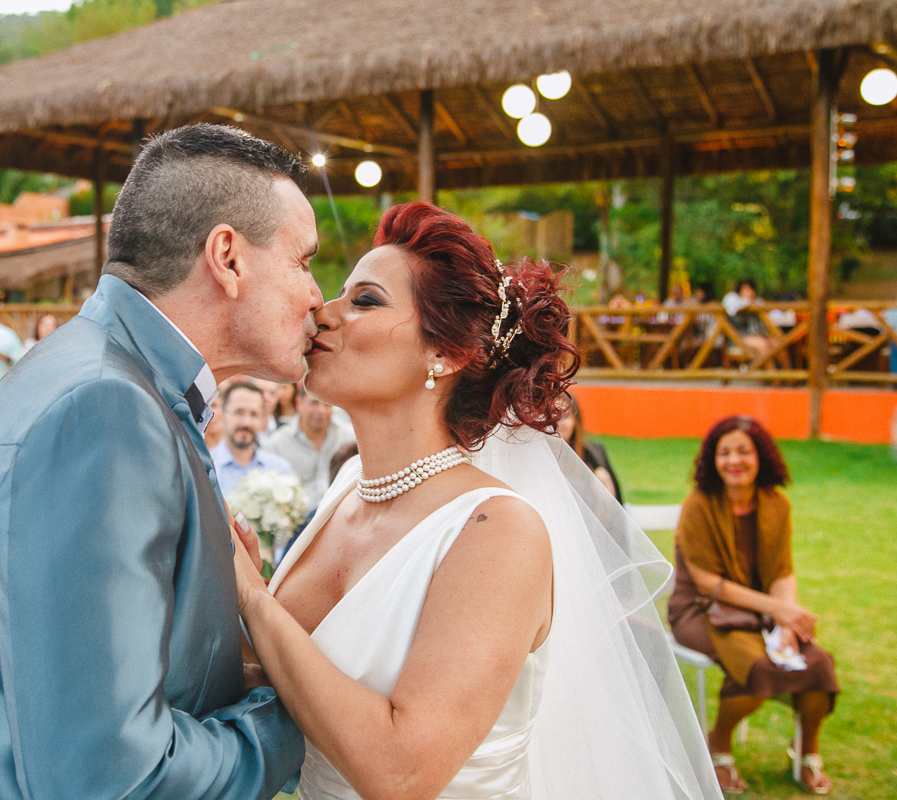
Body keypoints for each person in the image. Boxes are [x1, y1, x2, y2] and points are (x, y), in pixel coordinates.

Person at [0, 124, 322, 800]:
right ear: (227, 257)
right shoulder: (106, 410)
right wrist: (301, 719)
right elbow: (112, 777)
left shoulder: (102, 376)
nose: (318, 296)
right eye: (305, 260)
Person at [228, 202, 720, 800]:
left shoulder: (497, 531)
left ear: (446, 353)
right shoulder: (347, 486)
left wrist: (256, 599)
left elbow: (401, 774)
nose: (320, 313)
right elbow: (287, 679)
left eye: (364, 301)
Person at [668, 416, 838, 795]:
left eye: (743, 451)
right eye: (724, 452)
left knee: (820, 664)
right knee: (757, 667)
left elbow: (782, 572)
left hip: (759, 613)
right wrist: (780, 613)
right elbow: (709, 584)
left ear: (760, 456)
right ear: (713, 460)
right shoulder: (698, 504)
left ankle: (807, 751)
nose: (734, 460)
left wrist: (788, 623)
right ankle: (719, 745)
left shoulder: (776, 503)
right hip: (698, 609)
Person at [266, 385, 356, 511]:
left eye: (327, 405)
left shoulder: (350, 438)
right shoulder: (277, 443)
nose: (321, 411)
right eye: (314, 403)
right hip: (296, 523)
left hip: (341, 515)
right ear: (299, 403)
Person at [211, 380, 295, 497]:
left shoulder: (280, 469)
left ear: (262, 418)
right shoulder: (206, 468)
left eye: (254, 414)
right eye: (238, 412)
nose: (246, 422)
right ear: (223, 414)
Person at [555, 390, 623, 503]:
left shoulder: (593, 454)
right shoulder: (537, 456)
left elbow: (618, 504)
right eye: (552, 416)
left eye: (564, 416)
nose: (558, 422)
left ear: (575, 421)